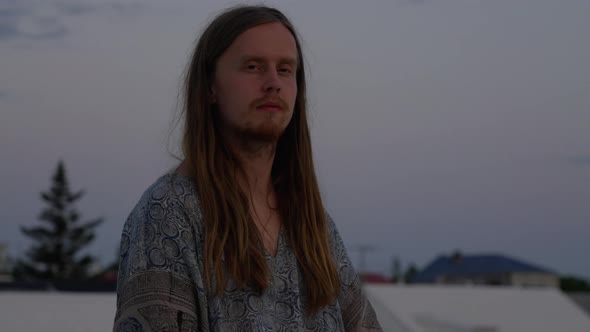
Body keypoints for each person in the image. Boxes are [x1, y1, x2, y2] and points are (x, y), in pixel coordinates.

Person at [113, 5, 382, 331]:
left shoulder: (316, 228)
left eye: (285, 70)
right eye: (253, 67)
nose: (273, 83)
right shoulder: (169, 211)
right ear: (210, 86)